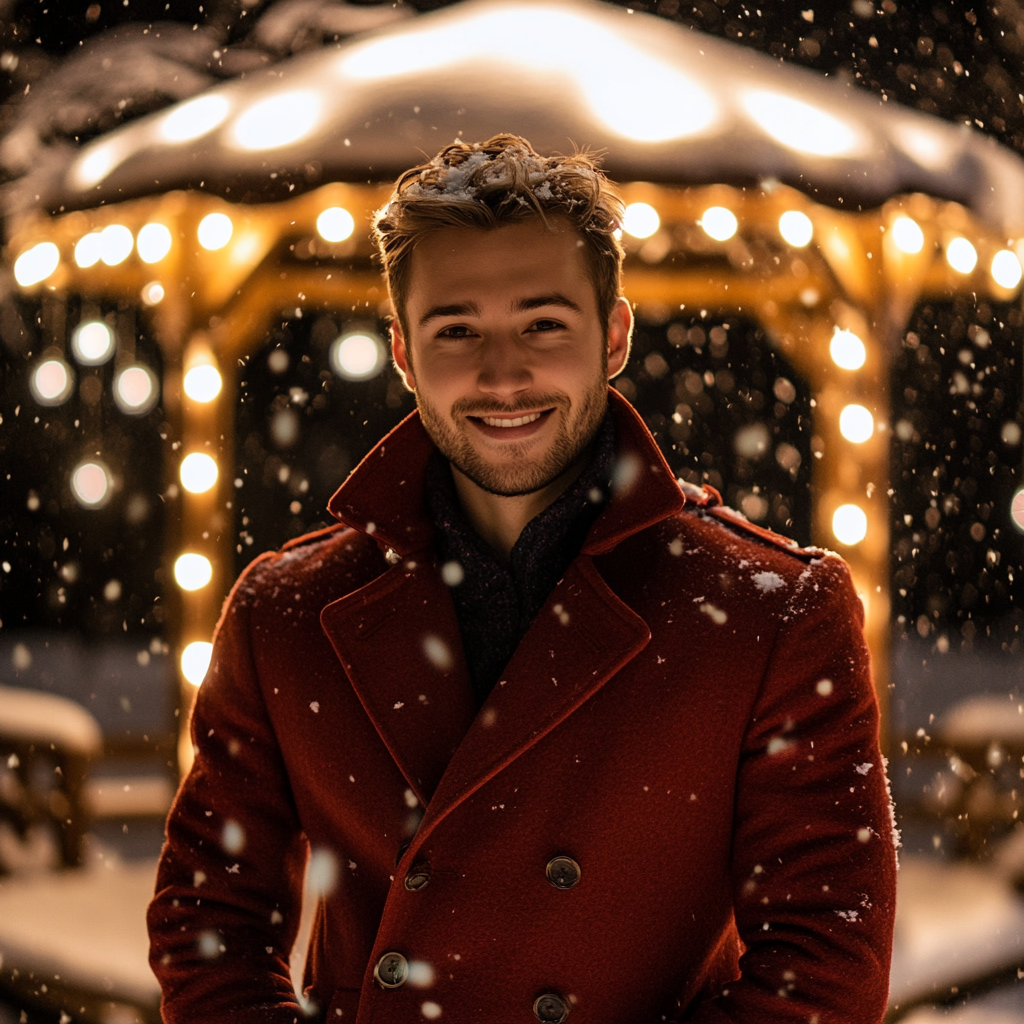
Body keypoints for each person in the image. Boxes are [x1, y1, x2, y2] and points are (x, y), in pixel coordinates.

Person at [148, 134, 897, 1024]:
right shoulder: (286, 613)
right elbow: (209, 923)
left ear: (612, 334)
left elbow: (825, 965)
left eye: (543, 323)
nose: (503, 375)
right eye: (456, 330)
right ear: (401, 351)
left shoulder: (769, 614)